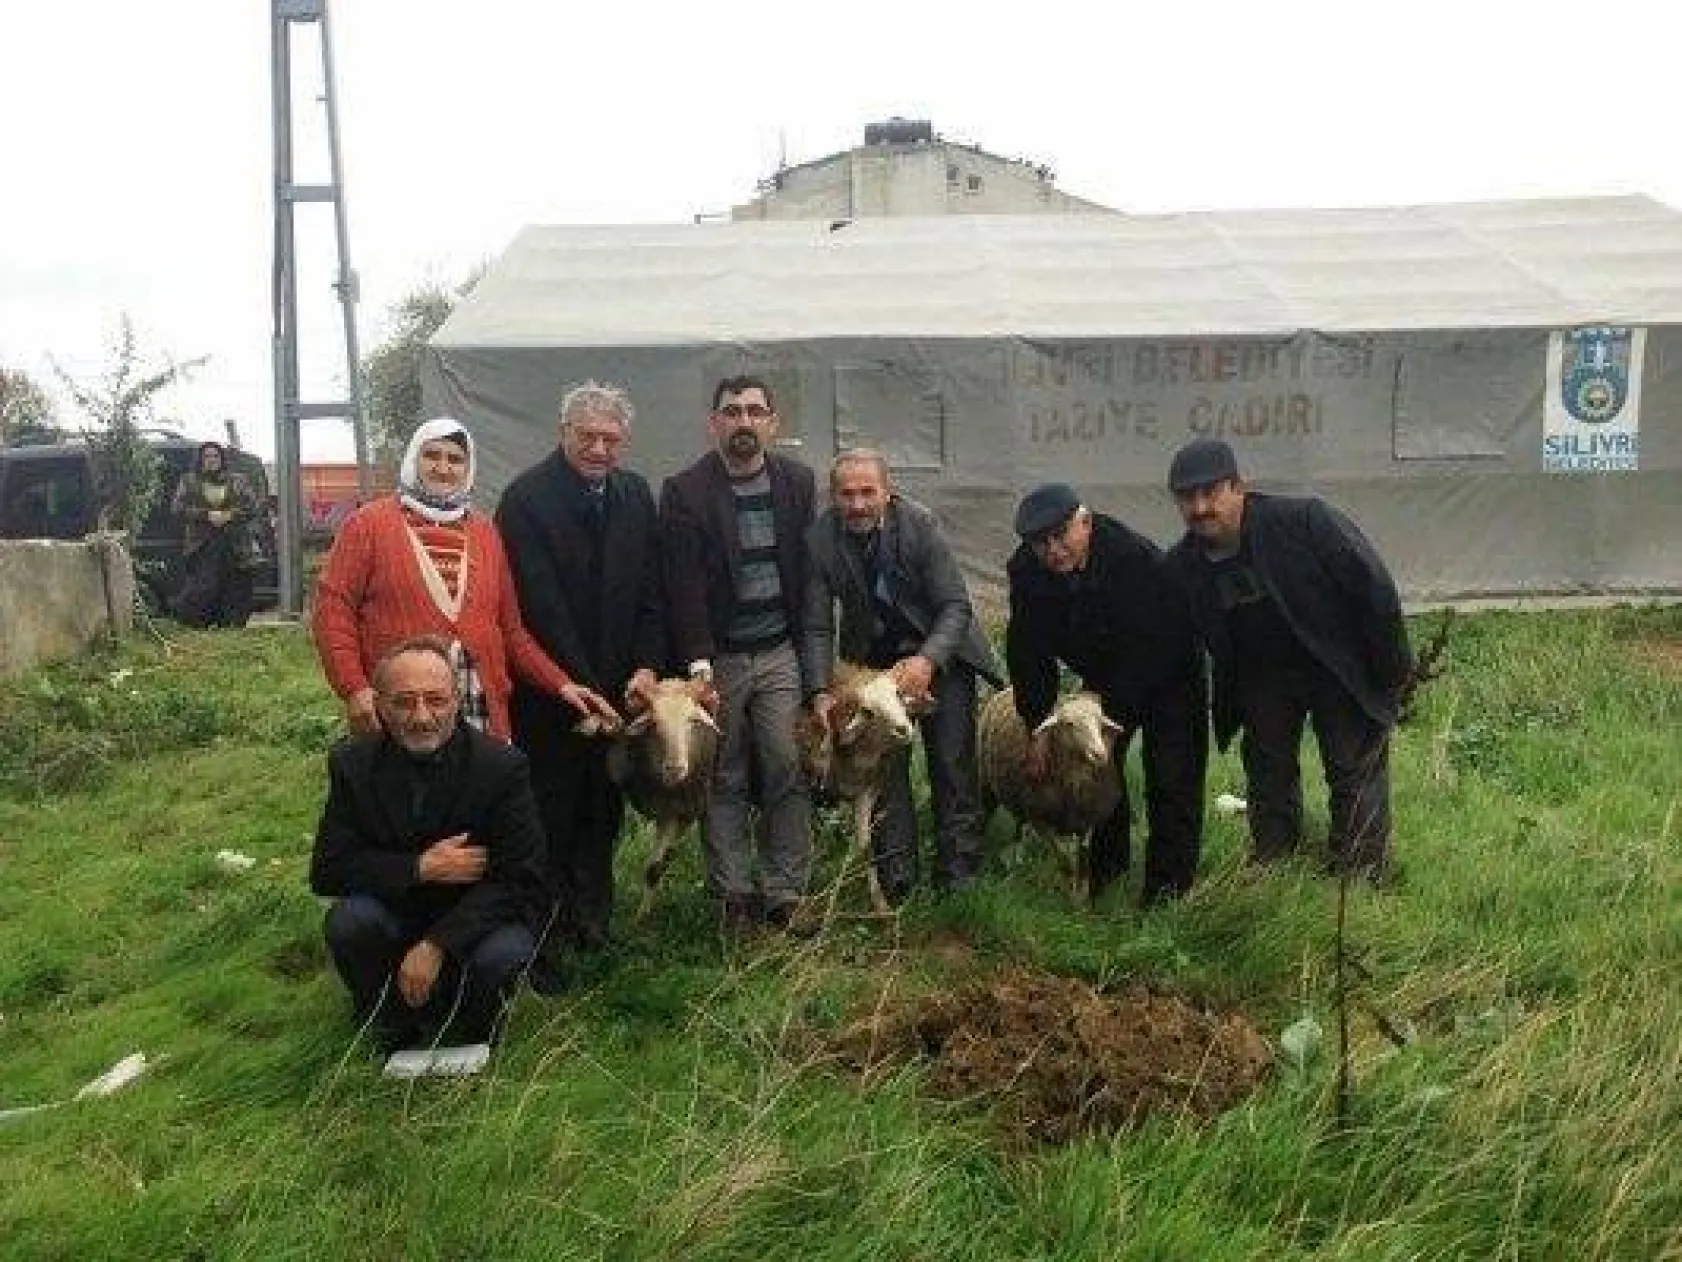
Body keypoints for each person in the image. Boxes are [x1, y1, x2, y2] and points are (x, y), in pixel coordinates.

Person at [1162, 438, 1411, 879]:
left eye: (1210, 492)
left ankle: (1361, 875)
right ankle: (1275, 863)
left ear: (1239, 487)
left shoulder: (1303, 522)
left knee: (1353, 767)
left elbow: (1373, 588)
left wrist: (1394, 672)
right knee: (1267, 772)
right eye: (1186, 497)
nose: (1200, 507)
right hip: (1262, 675)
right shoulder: (1183, 567)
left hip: (1336, 662)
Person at [496, 381, 668, 958]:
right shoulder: (525, 501)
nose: (599, 449)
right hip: (552, 694)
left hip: (618, 694)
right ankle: (542, 938)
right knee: (550, 815)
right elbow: (536, 607)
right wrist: (580, 685)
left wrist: (646, 666)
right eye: (588, 436)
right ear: (563, 432)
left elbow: (651, 593)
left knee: (603, 811)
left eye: (610, 439)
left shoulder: (635, 495)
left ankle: (593, 923)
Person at [309, 637, 547, 1051]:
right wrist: (419, 868)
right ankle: (388, 1026)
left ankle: (475, 1031)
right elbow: (329, 869)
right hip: (397, 916)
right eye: (404, 703)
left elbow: (521, 877)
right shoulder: (352, 764)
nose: (422, 717)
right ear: (379, 705)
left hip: (476, 922)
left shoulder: (502, 766)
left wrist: (437, 944)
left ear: (457, 700)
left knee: (504, 954)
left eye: (436, 700)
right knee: (348, 922)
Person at [312, 418, 616, 742]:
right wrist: (354, 688)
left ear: (468, 468)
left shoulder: (485, 532)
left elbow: (511, 632)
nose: (443, 468)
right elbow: (334, 610)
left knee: (480, 790)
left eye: (455, 459)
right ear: (414, 458)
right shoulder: (368, 525)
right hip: (403, 709)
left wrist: (561, 684)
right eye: (432, 455)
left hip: (480, 709)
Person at [803, 448, 1001, 901]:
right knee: (884, 772)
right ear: (833, 496)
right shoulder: (818, 540)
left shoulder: (921, 526)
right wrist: (819, 691)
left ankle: (960, 881)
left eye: (867, 492)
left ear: (887, 492)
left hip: (939, 655)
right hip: (873, 667)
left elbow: (955, 606)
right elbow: (815, 624)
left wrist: (927, 661)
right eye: (846, 494)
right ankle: (898, 883)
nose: (857, 505)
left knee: (952, 765)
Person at [660, 375, 816, 930]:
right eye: (732, 412)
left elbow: (807, 574)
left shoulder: (798, 483)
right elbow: (684, 586)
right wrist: (699, 666)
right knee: (722, 774)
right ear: (714, 423)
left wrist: (813, 658)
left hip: (779, 651)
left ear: (773, 422)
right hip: (720, 655)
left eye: (755, 411)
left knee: (786, 762)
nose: (743, 421)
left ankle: (786, 891)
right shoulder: (685, 492)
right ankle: (733, 895)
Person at [1005, 483, 1209, 903]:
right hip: (1100, 675)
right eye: (1040, 543)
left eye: (1060, 536)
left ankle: (1168, 892)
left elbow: (1150, 648)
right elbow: (1027, 650)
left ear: (1085, 523)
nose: (1052, 550)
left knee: (1172, 778)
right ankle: (1106, 874)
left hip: (1169, 669)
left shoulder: (1134, 560)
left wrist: (1112, 711)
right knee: (1094, 770)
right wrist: (1036, 724)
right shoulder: (1025, 571)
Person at [171, 441, 258, 628]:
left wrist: (230, 515)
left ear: (222, 459)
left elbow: (252, 507)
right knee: (203, 587)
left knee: (234, 588)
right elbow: (178, 508)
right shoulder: (189, 480)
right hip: (203, 544)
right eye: (207, 456)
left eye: (215, 456)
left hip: (234, 544)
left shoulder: (238, 481)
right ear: (201, 460)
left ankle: (230, 628)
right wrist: (206, 515)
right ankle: (197, 627)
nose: (211, 460)